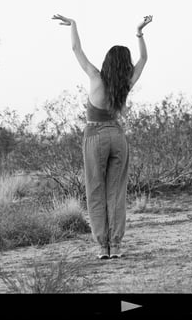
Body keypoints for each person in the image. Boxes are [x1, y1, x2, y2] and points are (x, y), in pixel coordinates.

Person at [52, 13, 152, 259]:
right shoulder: (126, 83)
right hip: (117, 136)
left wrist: (73, 25)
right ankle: (115, 246)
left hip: (95, 136)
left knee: (96, 191)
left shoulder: (96, 77)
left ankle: (102, 247)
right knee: (116, 192)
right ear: (125, 65)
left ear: (107, 62)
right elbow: (144, 59)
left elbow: (76, 49)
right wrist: (139, 32)